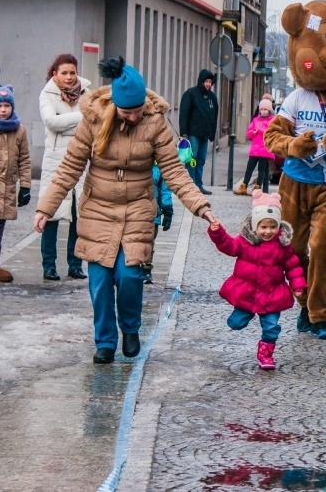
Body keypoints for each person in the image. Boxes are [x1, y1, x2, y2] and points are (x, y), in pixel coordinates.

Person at [34, 56, 216, 364]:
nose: (132, 117)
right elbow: (69, 168)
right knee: (100, 279)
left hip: (137, 208)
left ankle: (130, 328)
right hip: (98, 209)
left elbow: (174, 170)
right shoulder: (92, 120)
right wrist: (45, 209)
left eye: (137, 111)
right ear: (115, 105)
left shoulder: (154, 122)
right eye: (126, 111)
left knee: (130, 274)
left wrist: (202, 207)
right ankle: (105, 341)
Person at [208, 190, 306, 370]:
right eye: (263, 227)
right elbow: (229, 246)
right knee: (235, 323)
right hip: (249, 293)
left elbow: (293, 266)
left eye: (272, 227)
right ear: (255, 226)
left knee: (271, 327)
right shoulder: (245, 241)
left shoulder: (283, 245)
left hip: (272, 294)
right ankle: (246, 314)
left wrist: (297, 285)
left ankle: (266, 355)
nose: (268, 231)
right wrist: (218, 233)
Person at [38, 53, 91, 280]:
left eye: (72, 72)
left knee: (79, 215)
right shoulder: (47, 94)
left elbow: (94, 123)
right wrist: (82, 117)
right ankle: (49, 266)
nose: (69, 77)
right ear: (55, 74)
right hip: (56, 161)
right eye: (64, 73)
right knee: (50, 214)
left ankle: (75, 264)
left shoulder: (87, 93)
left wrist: (67, 122)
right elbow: (51, 122)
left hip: (82, 159)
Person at [0, 85, 31, 283]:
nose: (3, 110)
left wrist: (25, 186)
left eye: (7, 106)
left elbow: (24, 160)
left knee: (0, 230)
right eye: (0, 106)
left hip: (7, 190)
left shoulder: (20, 131)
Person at [179, 69, 218, 195]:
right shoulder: (191, 94)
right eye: (206, 81)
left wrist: (212, 134)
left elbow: (214, 116)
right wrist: (183, 133)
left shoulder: (212, 97)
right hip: (193, 133)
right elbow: (184, 113)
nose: (208, 84)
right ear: (201, 81)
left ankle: (199, 184)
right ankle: (191, 185)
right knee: (192, 158)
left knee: (201, 159)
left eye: (210, 82)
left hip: (205, 134)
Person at [235, 99, 276, 196]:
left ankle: (258, 187)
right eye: (262, 109)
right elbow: (249, 132)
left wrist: (259, 130)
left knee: (262, 169)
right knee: (249, 167)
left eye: (265, 109)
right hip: (255, 149)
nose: (263, 111)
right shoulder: (255, 120)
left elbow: (270, 133)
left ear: (269, 110)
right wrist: (252, 132)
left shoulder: (272, 120)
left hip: (265, 149)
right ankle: (244, 185)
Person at [141, 160, 173, 284]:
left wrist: (168, 210)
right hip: (133, 213)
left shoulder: (158, 170)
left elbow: (165, 190)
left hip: (153, 213)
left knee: (149, 241)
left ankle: (146, 269)